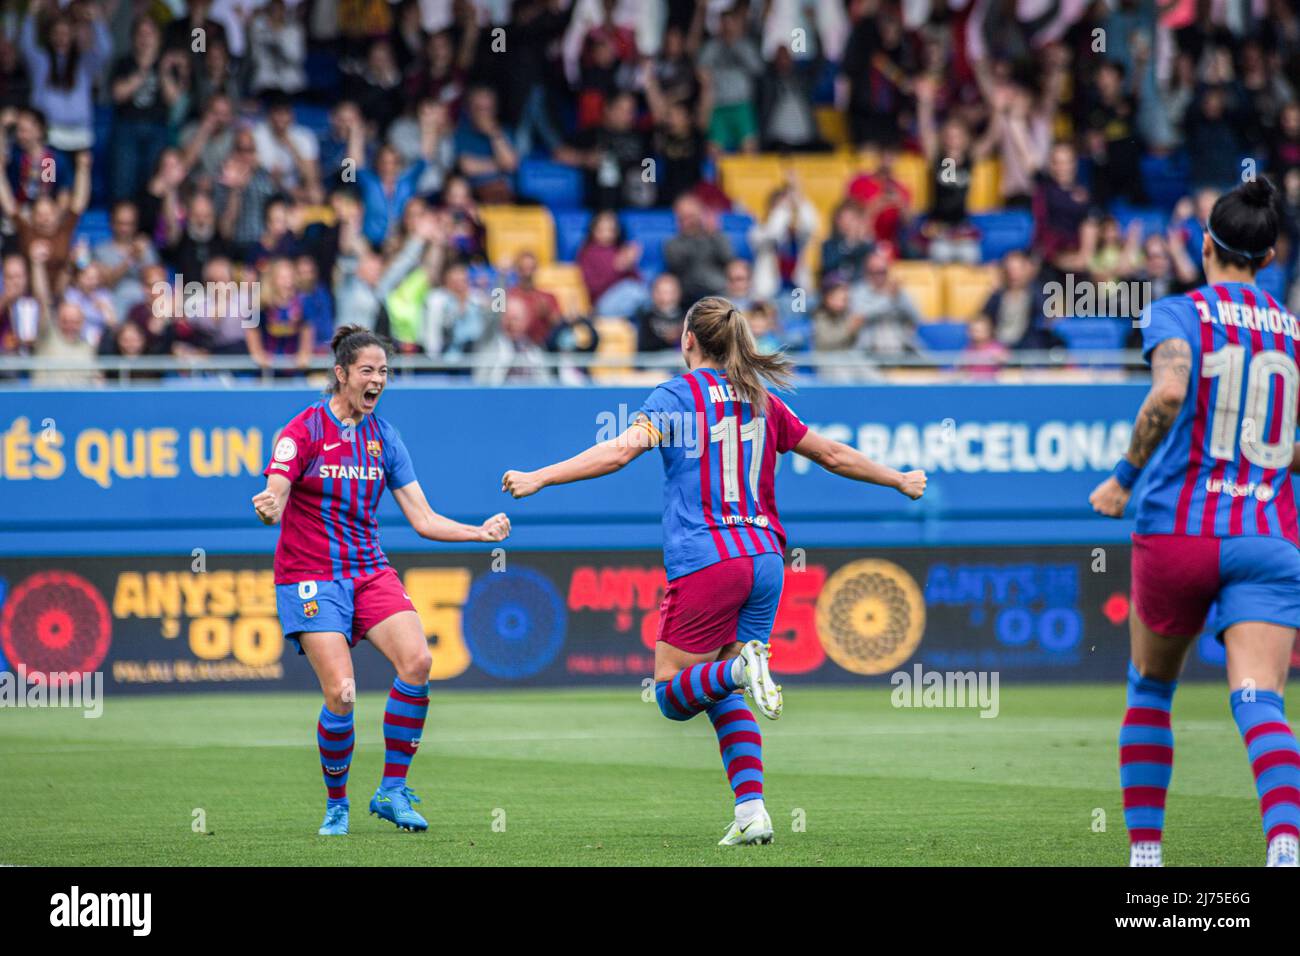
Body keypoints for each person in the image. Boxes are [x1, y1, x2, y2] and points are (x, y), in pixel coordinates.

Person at [500, 297, 926, 846]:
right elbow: (832, 455)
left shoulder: (675, 397)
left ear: (687, 341)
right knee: (723, 693)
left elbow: (618, 452)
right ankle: (752, 811)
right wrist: (897, 479)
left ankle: (740, 669)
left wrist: (542, 476)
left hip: (708, 562)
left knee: (672, 692)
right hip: (766, 561)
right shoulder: (759, 399)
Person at [1088, 178, 1300, 868]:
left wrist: (1122, 479)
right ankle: (1285, 847)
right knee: (1258, 697)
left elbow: (1171, 391)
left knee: (1150, 687)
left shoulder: (1179, 313)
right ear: (1269, 258)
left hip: (1180, 529)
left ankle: (1147, 855)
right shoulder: (1293, 333)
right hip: (1268, 534)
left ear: (1204, 245)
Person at [252, 325, 511, 836]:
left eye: (384, 372)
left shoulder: (384, 438)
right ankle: (336, 805)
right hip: (310, 577)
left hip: (369, 571)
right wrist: (270, 503)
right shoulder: (302, 431)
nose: (377, 380)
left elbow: (423, 518)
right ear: (341, 373)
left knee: (418, 662)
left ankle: (392, 790)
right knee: (343, 694)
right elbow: (276, 487)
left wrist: (478, 532)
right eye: (368, 370)